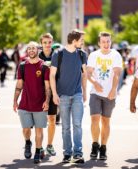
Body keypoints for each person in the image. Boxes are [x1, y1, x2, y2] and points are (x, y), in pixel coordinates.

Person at [50, 29, 87, 165]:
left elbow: (84, 75)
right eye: (81, 40)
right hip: (63, 95)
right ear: (74, 41)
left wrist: (84, 92)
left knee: (77, 125)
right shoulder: (58, 54)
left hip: (77, 94)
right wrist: (54, 93)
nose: (82, 42)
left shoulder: (82, 54)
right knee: (65, 126)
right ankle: (67, 153)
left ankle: (78, 154)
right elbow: (52, 75)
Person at [86, 32, 122, 160]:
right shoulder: (93, 55)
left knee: (106, 121)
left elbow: (117, 73)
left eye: (108, 41)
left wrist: (113, 89)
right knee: (95, 119)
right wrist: (94, 83)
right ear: (99, 43)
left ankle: (103, 148)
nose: (106, 44)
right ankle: (95, 145)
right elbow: (88, 73)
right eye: (103, 41)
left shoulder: (116, 55)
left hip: (109, 94)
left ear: (110, 42)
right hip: (95, 93)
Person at [13, 41, 50, 164]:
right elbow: (19, 85)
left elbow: (47, 87)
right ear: (27, 51)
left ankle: (38, 151)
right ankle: (28, 142)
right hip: (25, 104)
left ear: (38, 50)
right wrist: (15, 101)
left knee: (39, 131)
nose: (31, 50)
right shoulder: (22, 66)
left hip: (40, 105)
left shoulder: (44, 67)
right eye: (29, 49)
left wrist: (47, 101)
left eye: (33, 48)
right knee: (26, 130)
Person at [38, 33, 58, 156]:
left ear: (52, 42)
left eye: (49, 42)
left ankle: (49, 145)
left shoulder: (57, 56)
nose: (47, 44)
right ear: (41, 43)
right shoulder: (36, 55)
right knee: (39, 121)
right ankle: (39, 147)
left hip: (53, 91)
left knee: (52, 119)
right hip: (39, 92)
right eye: (45, 42)